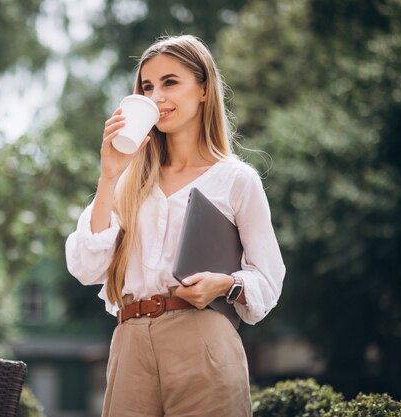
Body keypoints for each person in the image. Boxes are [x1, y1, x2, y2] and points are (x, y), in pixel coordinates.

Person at [65, 34, 285, 417]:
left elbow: (268, 279)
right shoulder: (128, 180)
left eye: (170, 82)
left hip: (204, 338)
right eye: (147, 87)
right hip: (130, 341)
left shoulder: (236, 180)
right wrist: (108, 176)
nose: (156, 97)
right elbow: (86, 268)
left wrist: (225, 284)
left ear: (203, 89)